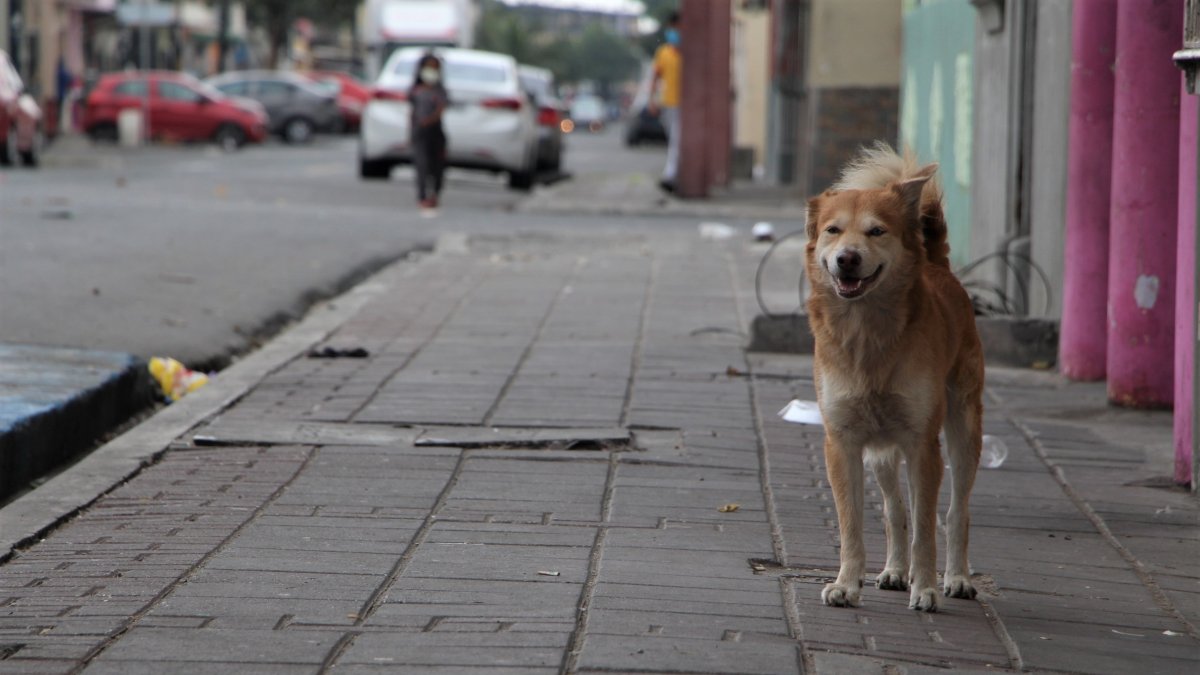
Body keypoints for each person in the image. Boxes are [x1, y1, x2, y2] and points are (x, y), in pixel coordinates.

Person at [409, 53, 449, 211]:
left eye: (434, 67)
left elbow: (441, 109)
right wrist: (411, 131)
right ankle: (422, 196)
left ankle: (435, 194)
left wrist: (429, 120)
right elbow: (412, 112)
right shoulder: (416, 90)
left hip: (435, 131)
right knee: (421, 164)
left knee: (437, 166)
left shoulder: (440, 91)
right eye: (428, 67)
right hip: (419, 132)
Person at [649, 13, 682, 193]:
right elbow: (655, 77)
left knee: (677, 140)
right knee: (674, 141)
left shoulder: (688, 54)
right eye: (672, 28)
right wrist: (652, 100)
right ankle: (674, 174)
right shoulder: (664, 53)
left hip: (684, 104)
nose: (674, 32)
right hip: (668, 102)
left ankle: (670, 175)